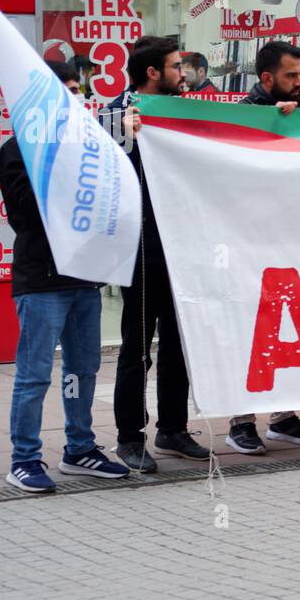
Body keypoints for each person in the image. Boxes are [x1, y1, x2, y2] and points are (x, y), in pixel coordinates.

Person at [0, 61, 131, 493]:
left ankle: (79, 448)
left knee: (83, 368)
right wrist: (60, 157)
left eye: (78, 91)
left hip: (84, 279)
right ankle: (24, 458)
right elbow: (27, 216)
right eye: (67, 92)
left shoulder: (88, 146)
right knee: (35, 374)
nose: (76, 99)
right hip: (41, 281)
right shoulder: (17, 150)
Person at [103, 37, 209, 472]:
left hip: (180, 246)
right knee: (137, 348)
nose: (182, 74)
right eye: (175, 66)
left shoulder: (183, 109)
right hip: (141, 250)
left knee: (178, 345)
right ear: (152, 73)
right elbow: (103, 167)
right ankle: (130, 437)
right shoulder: (114, 113)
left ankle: (173, 428)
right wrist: (125, 136)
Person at [224, 42, 300, 454]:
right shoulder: (243, 116)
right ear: (266, 79)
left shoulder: (299, 113)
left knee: (289, 327)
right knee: (248, 329)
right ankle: (241, 420)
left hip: (290, 240)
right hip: (247, 242)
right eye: (291, 76)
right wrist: (270, 125)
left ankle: (284, 416)